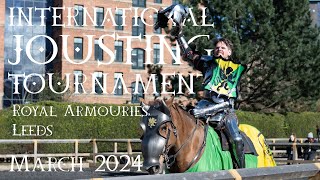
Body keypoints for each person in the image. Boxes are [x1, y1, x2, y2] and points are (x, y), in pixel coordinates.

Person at [155, 4, 247, 168]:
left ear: (229, 52)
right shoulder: (208, 64)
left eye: (222, 48)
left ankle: (242, 170)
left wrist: (203, 111)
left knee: (236, 139)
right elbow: (189, 55)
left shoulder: (235, 69)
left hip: (225, 112)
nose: (219, 50)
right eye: (217, 48)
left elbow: (228, 101)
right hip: (203, 106)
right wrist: (179, 34)